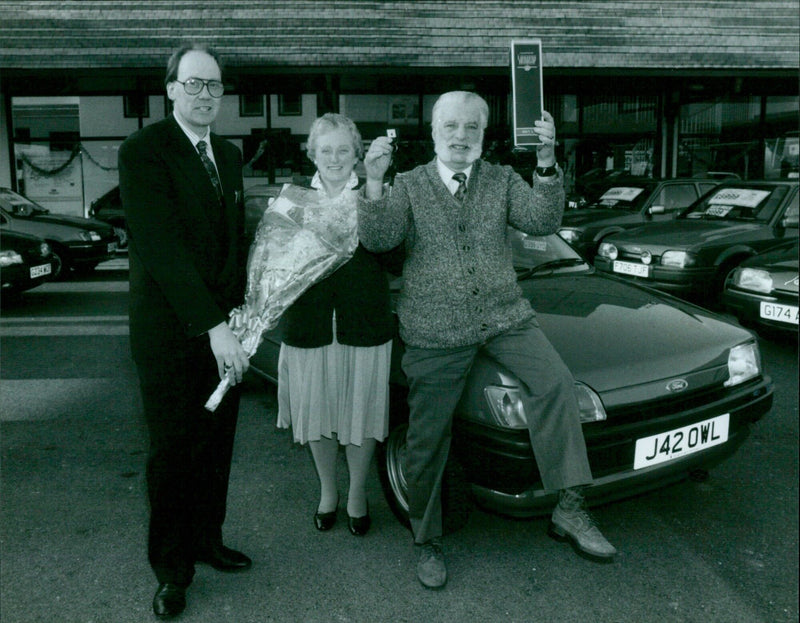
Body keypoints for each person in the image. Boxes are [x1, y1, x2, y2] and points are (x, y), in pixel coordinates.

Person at [358, 91, 617, 590]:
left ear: (483, 134)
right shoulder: (409, 184)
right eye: (451, 126)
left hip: (505, 317)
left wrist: (545, 162)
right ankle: (427, 537)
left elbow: (542, 222)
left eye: (472, 128)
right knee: (428, 436)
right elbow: (379, 239)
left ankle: (569, 508)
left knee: (557, 384)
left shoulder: (500, 179)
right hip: (435, 328)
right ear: (434, 132)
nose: (461, 136)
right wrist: (373, 181)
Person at [119, 44, 252, 619]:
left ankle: (207, 540)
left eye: (214, 87)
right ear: (170, 88)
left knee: (217, 443)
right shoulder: (142, 151)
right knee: (173, 453)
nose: (205, 96)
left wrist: (249, 315)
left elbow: (232, 245)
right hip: (172, 333)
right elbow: (163, 248)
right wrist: (215, 326)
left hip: (228, 330)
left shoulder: (227, 154)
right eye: (194, 84)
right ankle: (172, 570)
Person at [276, 113, 396, 537]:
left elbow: (396, 258)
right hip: (309, 330)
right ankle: (328, 492)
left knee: (360, 416)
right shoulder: (291, 200)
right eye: (325, 149)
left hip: (363, 326)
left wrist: (376, 193)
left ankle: (358, 494)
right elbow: (276, 267)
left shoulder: (376, 194)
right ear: (312, 153)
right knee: (318, 415)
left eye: (344, 149)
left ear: (358, 154)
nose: (334, 157)